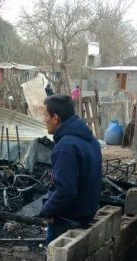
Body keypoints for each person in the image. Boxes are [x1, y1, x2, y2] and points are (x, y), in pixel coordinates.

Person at [39, 94, 102, 244]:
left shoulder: (66, 147)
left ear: (56, 118)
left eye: (46, 115)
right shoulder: (90, 140)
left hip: (67, 221)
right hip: (85, 215)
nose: (44, 120)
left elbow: (65, 192)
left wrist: (47, 212)